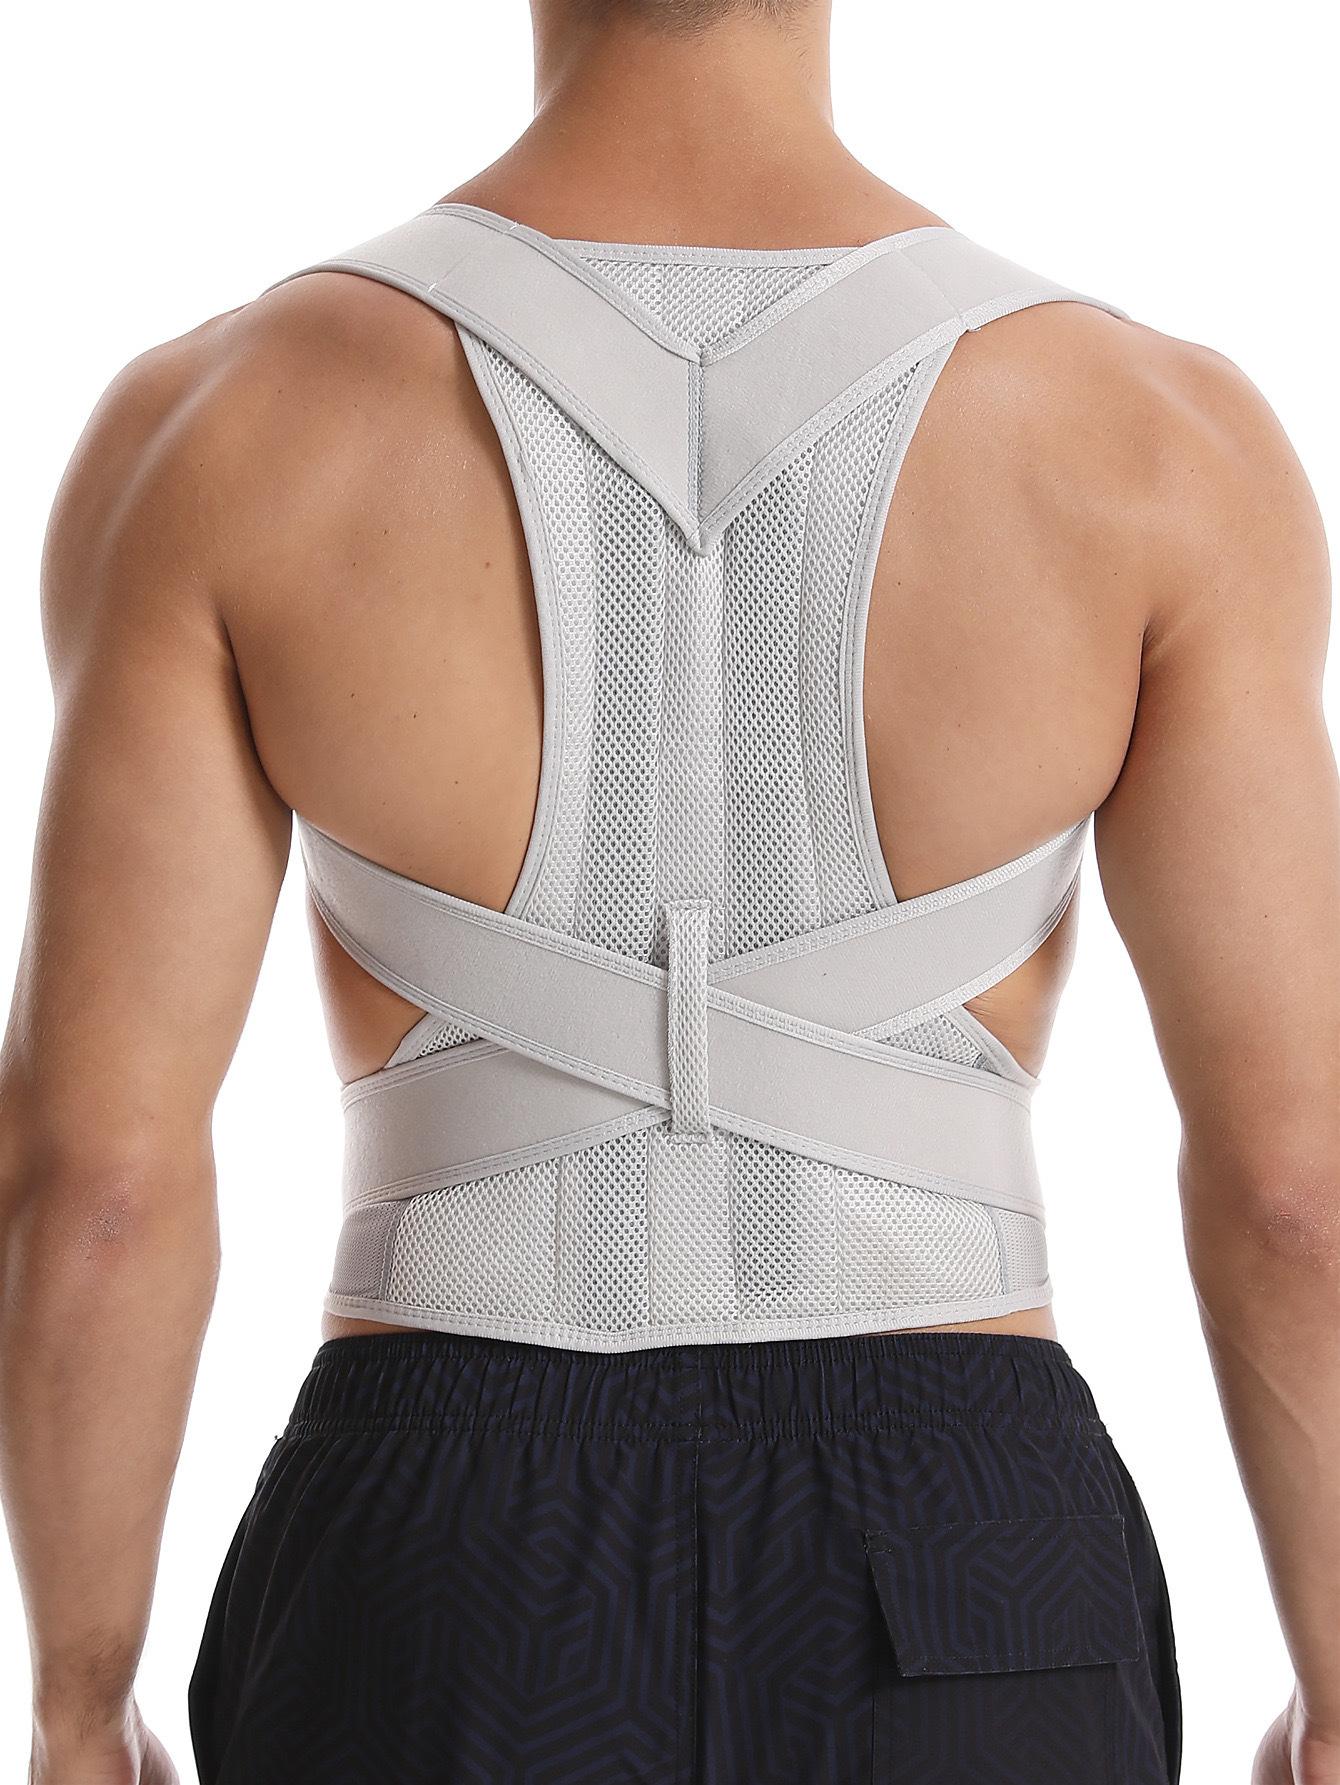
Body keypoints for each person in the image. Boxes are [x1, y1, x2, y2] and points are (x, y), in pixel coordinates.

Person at [1, 0, 1336, 1780]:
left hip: (443, 1558)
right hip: (966, 1542)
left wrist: (78, 1706)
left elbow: (94, 1185)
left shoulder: (222, 427)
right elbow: (1296, 1190)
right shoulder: (1159, 442)